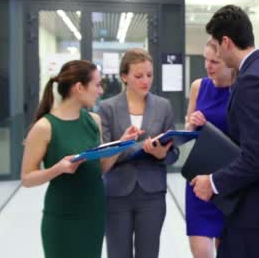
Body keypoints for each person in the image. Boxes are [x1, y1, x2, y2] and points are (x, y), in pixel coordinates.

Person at [190, 5, 259, 258]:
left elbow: (255, 158)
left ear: (226, 42)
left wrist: (213, 182)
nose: (214, 55)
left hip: (253, 207)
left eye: (214, 46)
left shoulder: (252, 81)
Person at [21, 60, 140, 258]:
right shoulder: (44, 127)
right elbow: (26, 178)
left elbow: (99, 169)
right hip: (62, 217)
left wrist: (121, 145)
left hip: (93, 213)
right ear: (79, 87)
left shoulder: (94, 121)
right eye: (97, 84)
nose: (101, 91)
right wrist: (57, 169)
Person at [97, 48, 178, 258]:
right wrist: (139, 147)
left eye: (149, 75)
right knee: (118, 253)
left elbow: (173, 152)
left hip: (152, 194)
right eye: (138, 76)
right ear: (124, 76)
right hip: (116, 193)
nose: (145, 81)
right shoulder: (107, 108)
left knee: (149, 254)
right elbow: (103, 154)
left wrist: (162, 155)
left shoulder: (163, 107)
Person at [184, 41, 235, 258]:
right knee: (201, 254)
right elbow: (188, 129)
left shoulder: (241, 90)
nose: (208, 65)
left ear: (230, 63)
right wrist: (192, 124)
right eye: (206, 59)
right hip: (199, 178)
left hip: (227, 182)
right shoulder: (199, 86)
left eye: (215, 61)